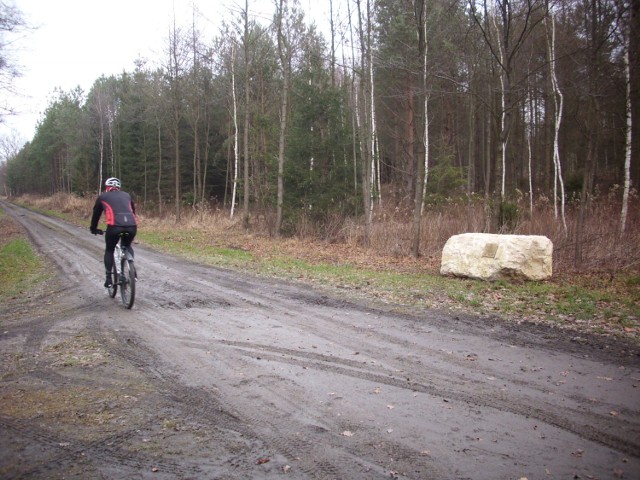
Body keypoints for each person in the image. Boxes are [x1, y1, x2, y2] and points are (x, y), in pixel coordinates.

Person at [90, 177, 138, 288]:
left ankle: (108, 279)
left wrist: (93, 228)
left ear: (107, 187)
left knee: (110, 249)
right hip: (131, 226)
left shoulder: (103, 197)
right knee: (126, 245)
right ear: (119, 187)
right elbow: (133, 211)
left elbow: (96, 215)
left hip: (114, 227)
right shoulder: (127, 195)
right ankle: (133, 271)